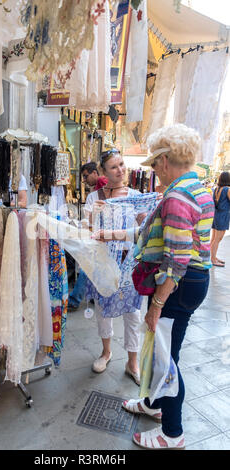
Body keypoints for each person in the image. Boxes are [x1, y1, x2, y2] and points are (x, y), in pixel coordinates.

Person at [121, 124, 214, 450]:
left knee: (165, 358)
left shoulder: (177, 196)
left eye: (154, 163)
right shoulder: (197, 188)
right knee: (162, 350)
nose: (153, 170)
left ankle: (171, 433)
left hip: (178, 285)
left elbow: (176, 258)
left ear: (164, 160)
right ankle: (152, 404)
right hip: (192, 282)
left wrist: (158, 304)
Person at [85, 149, 156, 384]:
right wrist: (95, 216)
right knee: (103, 311)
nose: (121, 170)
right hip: (103, 263)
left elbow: (143, 232)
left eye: (122, 164)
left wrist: (141, 219)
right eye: (114, 167)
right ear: (104, 172)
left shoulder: (135, 196)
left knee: (132, 314)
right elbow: (87, 231)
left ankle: (132, 361)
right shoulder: (94, 198)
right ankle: (106, 352)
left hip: (129, 264)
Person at [67, 162, 108, 311]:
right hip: (101, 236)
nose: (84, 180)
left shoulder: (100, 192)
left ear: (95, 173)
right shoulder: (95, 193)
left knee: (87, 267)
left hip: (103, 237)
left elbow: (91, 218)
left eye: (85, 176)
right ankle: (90, 296)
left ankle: (75, 300)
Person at [210, 171, 230, 267]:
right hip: (223, 215)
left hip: (216, 214)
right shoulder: (227, 189)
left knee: (214, 238)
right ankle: (213, 259)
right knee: (218, 239)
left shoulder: (216, 189)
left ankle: (212, 257)